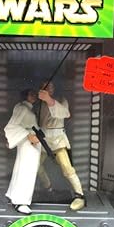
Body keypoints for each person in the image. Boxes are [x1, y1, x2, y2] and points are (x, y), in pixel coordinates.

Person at [37, 81, 86, 211]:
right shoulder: (38, 103)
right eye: (45, 86)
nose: (49, 88)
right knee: (36, 166)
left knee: (67, 168)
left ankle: (79, 195)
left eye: (51, 86)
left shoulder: (61, 100)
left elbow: (65, 113)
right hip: (43, 139)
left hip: (58, 139)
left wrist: (49, 100)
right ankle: (48, 187)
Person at [4, 89, 41, 215]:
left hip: (32, 142)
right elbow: (12, 126)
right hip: (27, 143)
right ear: (25, 96)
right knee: (26, 171)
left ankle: (15, 196)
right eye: (31, 94)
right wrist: (28, 135)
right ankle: (21, 201)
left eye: (34, 94)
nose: (34, 96)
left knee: (24, 169)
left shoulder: (27, 108)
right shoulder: (22, 108)